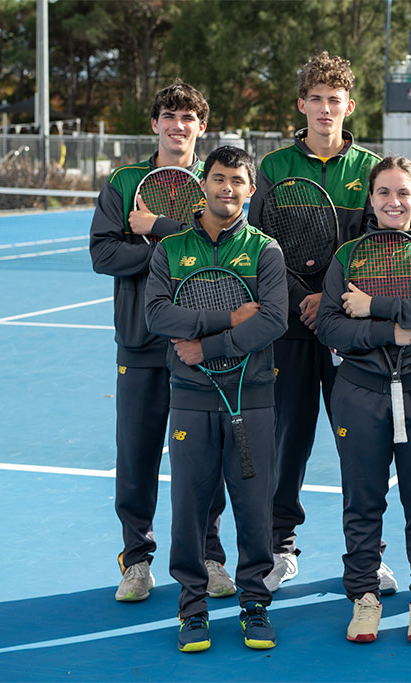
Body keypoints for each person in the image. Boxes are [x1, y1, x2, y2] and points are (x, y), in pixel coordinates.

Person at [247, 51, 391, 594]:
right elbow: (259, 248)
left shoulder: (371, 169)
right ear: (301, 105)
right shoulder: (275, 169)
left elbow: (380, 249)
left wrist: (326, 301)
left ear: (349, 106)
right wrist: (300, 301)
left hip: (349, 331)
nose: (326, 109)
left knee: (362, 443)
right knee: (287, 441)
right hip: (288, 329)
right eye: (316, 99)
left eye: (335, 100)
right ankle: (281, 547)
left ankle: (368, 553)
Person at [89, 80, 233, 603]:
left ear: (201, 126)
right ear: (155, 124)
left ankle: (210, 557)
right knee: (137, 455)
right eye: (169, 116)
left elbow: (221, 246)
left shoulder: (216, 180)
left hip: (199, 344)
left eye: (188, 118)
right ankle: (137, 560)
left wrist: (156, 232)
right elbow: (104, 255)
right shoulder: (126, 181)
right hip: (140, 341)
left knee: (204, 459)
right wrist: (172, 249)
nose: (178, 126)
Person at [145, 145, 289, 652]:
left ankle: (254, 603)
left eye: (237, 181)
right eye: (219, 178)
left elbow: (273, 320)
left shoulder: (266, 250)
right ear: (203, 183)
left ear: (251, 191)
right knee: (189, 507)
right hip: (191, 398)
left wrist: (206, 345)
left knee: (254, 507)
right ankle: (192, 607)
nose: (227, 188)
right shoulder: (170, 250)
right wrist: (228, 319)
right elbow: (157, 316)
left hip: (252, 399)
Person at [317, 156, 411, 644]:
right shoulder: (348, 255)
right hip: (358, 393)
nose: (393, 202)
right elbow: (332, 324)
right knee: (362, 503)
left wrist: (373, 308)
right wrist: (390, 331)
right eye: (383, 193)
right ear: (371, 199)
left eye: (403, 193)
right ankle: (364, 596)